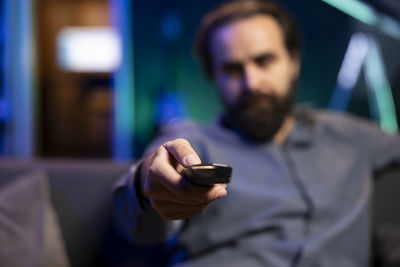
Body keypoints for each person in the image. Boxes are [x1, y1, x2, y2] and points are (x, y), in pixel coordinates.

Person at [113, 0, 400, 266]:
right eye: (233, 69)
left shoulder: (349, 134)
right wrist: (146, 186)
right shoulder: (193, 141)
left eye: (264, 61)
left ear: (293, 62)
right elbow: (135, 219)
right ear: (214, 77)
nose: (251, 82)